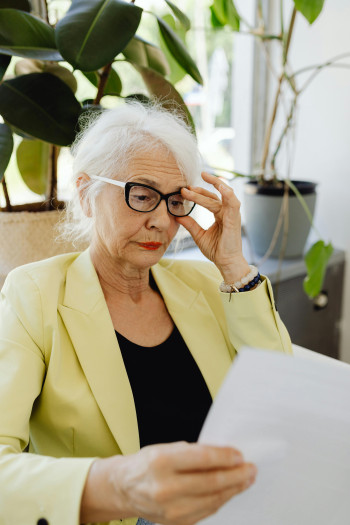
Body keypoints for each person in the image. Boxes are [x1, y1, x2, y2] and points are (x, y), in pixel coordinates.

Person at [0, 102, 292, 525]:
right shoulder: (35, 294)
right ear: (85, 193)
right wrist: (117, 487)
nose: (160, 221)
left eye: (175, 201)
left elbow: (281, 402)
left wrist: (233, 266)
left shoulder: (211, 287)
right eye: (141, 195)